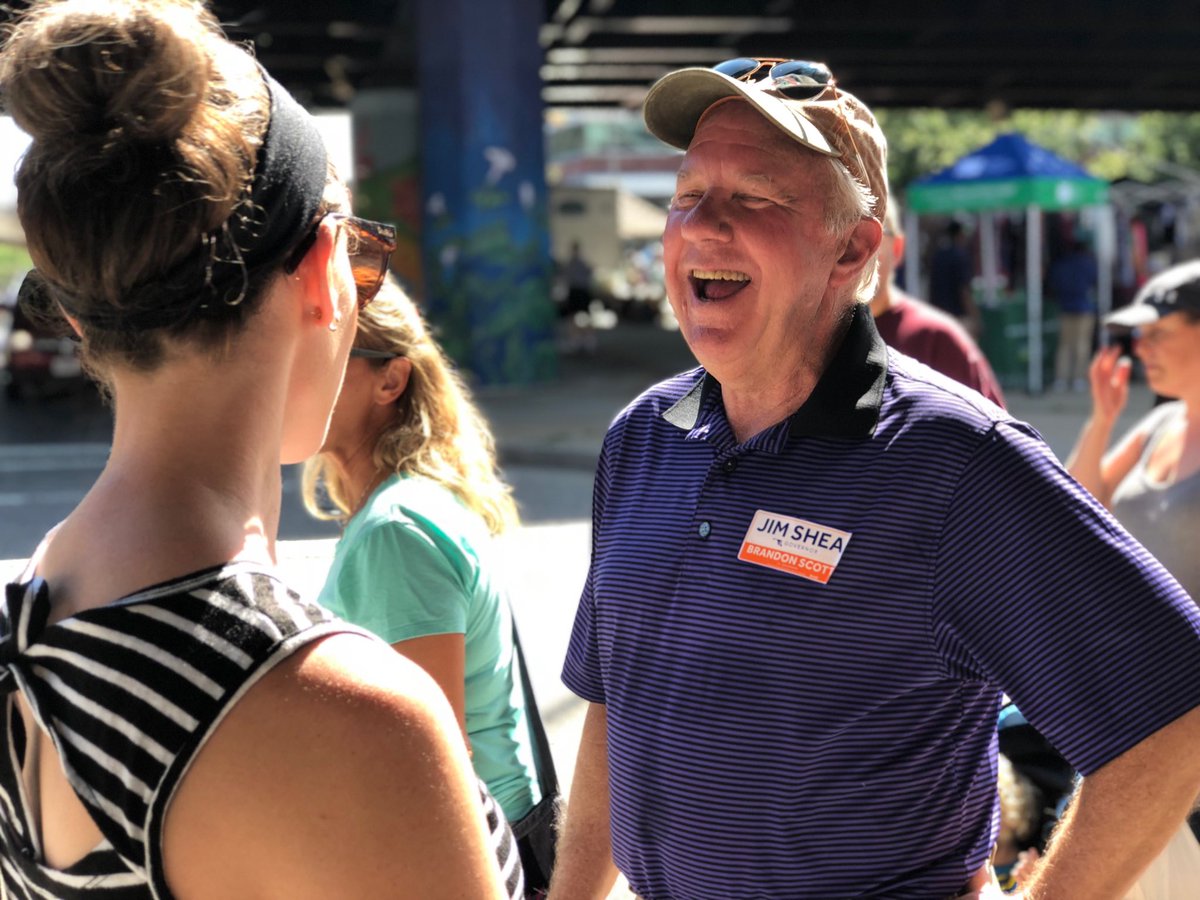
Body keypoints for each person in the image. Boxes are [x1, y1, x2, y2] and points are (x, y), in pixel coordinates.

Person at [549, 56, 1200, 900]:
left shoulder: (955, 461)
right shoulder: (641, 439)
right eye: (687, 194)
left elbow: (1173, 713)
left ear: (852, 249)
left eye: (755, 197)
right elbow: (612, 703)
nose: (701, 225)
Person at [0, 2, 520, 898]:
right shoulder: (351, 716)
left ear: (80, 316)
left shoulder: (30, 624)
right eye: (364, 259)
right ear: (323, 273)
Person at [302, 276, 557, 893]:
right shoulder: (408, 503)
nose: (293, 376)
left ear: (390, 380)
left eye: (323, 358)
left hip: (462, 853)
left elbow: (431, 763)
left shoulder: (396, 530)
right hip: (491, 837)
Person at [871, 201, 1006, 407]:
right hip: (954, 313)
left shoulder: (937, 340)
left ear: (896, 248)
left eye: (873, 235)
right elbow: (964, 290)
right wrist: (974, 316)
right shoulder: (814, 342)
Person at [1049, 238, 1100, 392]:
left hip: (1065, 307)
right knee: (1082, 345)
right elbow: (1094, 281)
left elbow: (1054, 283)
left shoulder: (1061, 264)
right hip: (1085, 307)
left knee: (1064, 346)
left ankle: (1061, 379)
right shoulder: (1088, 263)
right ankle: (1078, 378)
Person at [929, 219, 980, 335]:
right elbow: (964, 290)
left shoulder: (938, 256)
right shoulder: (961, 256)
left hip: (938, 315)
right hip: (959, 318)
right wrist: (975, 316)